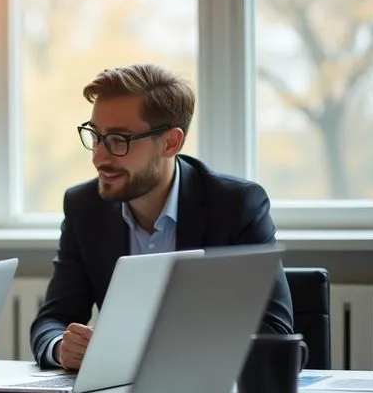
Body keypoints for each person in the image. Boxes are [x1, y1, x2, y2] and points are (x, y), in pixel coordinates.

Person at [29, 63, 295, 370]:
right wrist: (61, 346)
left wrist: (163, 352)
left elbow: (274, 332)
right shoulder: (84, 206)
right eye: (96, 136)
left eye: (119, 139)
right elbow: (52, 320)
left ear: (170, 143)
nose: (99, 157)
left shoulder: (235, 205)